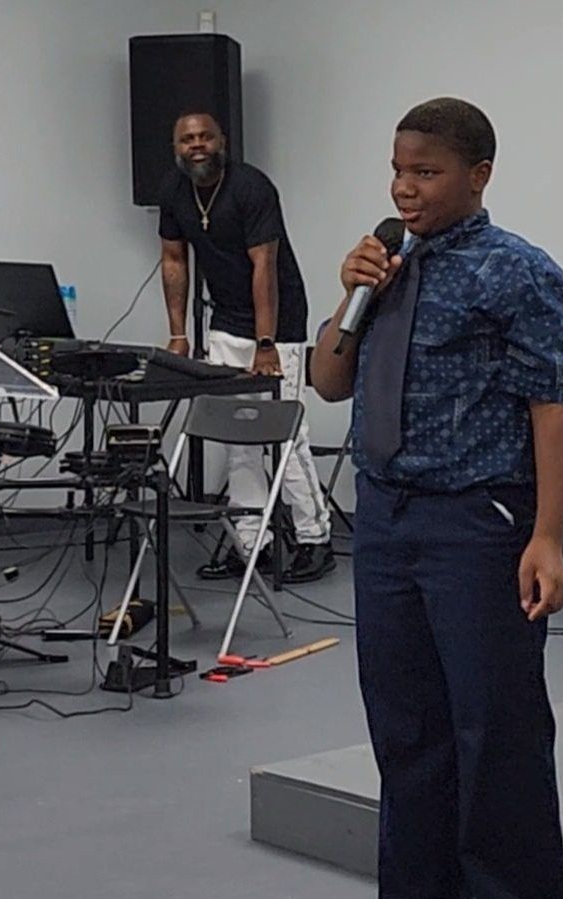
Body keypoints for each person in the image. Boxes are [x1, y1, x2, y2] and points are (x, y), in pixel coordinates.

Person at [310, 97, 563, 899]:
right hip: (384, 519)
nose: (404, 187)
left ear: (478, 175)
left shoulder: (522, 273)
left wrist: (547, 534)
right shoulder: (385, 263)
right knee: (407, 723)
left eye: (424, 172)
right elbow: (329, 380)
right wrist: (348, 296)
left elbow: (554, 406)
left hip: (479, 522)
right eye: (397, 169)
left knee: (494, 731)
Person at [159, 110, 334, 584]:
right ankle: (251, 541)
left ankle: (316, 539)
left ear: (223, 142)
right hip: (225, 322)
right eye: (187, 139)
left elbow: (265, 267)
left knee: (286, 433)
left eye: (205, 137)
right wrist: (179, 333)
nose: (197, 145)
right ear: (177, 147)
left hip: (277, 324)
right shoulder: (175, 191)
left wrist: (266, 342)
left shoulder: (252, 187)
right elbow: (174, 260)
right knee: (238, 438)